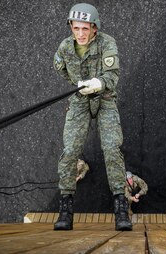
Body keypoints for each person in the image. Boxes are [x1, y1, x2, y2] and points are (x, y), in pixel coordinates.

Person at [52, 3, 132, 231]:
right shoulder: (66, 47)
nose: (80, 34)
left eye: (85, 29)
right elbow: (60, 67)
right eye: (76, 28)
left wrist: (99, 83)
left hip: (105, 99)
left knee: (112, 149)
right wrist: (75, 85)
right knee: (69, 152)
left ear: (94, 28)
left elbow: (113, 74)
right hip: (79, 100)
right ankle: (66, 210)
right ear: (71, 27)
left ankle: (121, 209)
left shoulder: (107, 42)